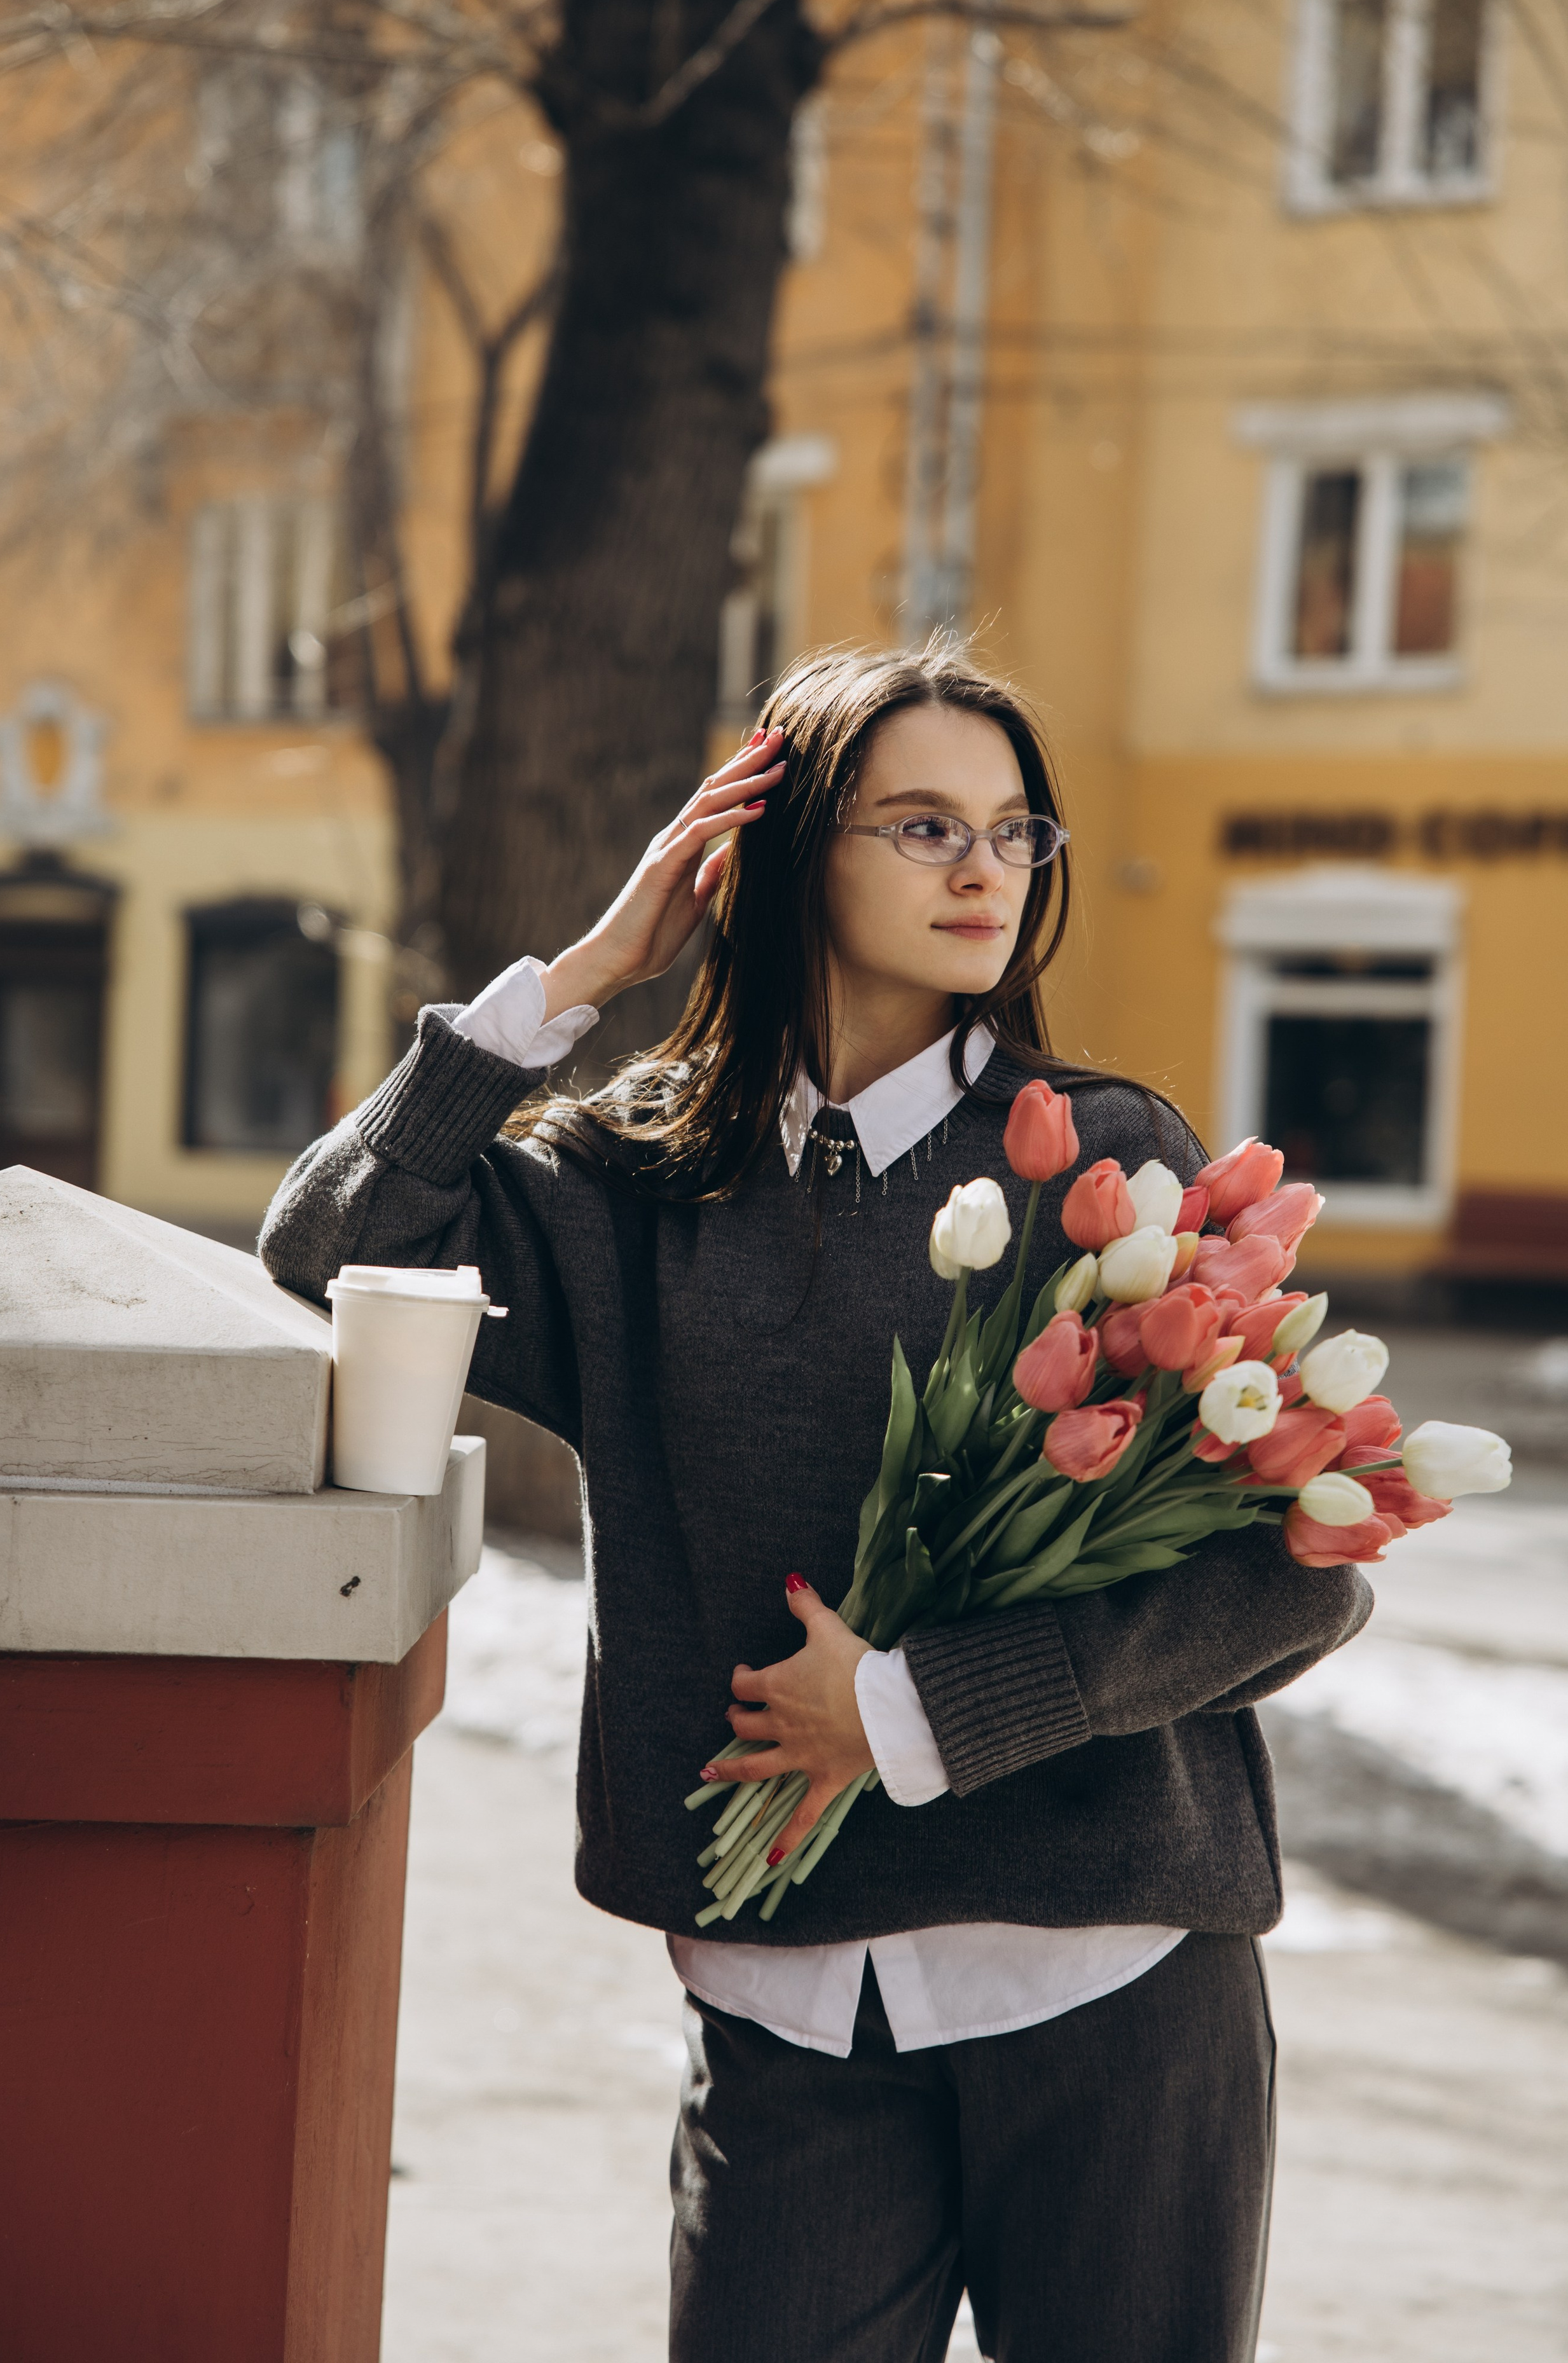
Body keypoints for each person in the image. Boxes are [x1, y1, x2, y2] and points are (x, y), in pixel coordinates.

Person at [260, 644, 1370, 2363]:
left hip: (1111, 1991)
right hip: (784, 2004)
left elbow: (1301, 1575)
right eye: (924, 824)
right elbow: (329, 1248)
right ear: (782, 853)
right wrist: (581, 976)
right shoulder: (621, 1184)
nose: (985, 868)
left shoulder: (1107, 1156)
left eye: (1016, 832)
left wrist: (914, 1713)